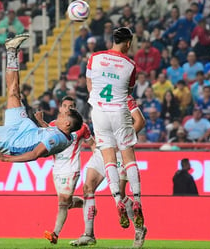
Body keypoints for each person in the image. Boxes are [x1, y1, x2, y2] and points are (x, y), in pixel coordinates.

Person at [0, 34, 83, 169]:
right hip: (25, 128)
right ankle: (11, 50)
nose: (61, 113)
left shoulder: (57, 138)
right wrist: (41, 122)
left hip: (11, 141)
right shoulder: (68, 136)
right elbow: (53, 133)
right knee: (14, 92)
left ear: (67, 123)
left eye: (64, 114)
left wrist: (7, 159)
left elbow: (34, 154)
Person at [86, 27, 144, 231]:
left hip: (99, 112)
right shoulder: (130, 64)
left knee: (108, 158)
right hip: (119, 110)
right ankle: (136, 200)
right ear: (128, 43)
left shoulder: (95, 57)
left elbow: (89, 85)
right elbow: (127, 91)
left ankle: (118, 199)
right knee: (129, 158)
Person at [70, 95, 147, 248]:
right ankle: (88, 234)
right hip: (102, 150)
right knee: (88, 188)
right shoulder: (99, 92)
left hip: (120, 150)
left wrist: (123, 140)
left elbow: (140, 120)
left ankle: (139, 230)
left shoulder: (124, 96)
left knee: (122, 193)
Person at [35, 96, 93, 245]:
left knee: (62, 203)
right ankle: (86, 204)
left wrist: (99, 158)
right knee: (65, 203)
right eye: (65, 105)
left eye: (71, 106)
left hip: (72, 168)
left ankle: (55, 234)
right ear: (61, 108)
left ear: (75, 109)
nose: (68, 108)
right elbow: (49, 136)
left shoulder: (82, 127)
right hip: (57, 169)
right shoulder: (55, 124)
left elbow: (92, 144)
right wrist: (41, 122)